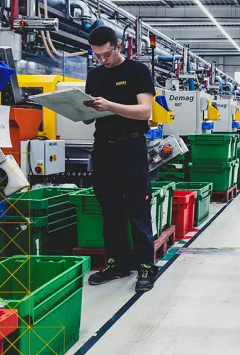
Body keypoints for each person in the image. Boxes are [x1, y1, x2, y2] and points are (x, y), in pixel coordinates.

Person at [82, 26, 158, 293]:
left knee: (137, 208)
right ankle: (117, 263)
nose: (102, 60)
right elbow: (89, 116)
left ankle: (146, 266)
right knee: (110, 209)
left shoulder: (137, 72)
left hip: (131, 146)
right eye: (97, 56)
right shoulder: (94, 76)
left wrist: (110, 106)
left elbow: (144, 111)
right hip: (103, 148)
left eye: (106, 54)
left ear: (118, 46)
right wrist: (78, 109)